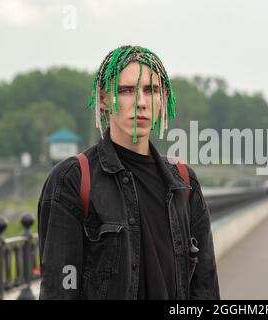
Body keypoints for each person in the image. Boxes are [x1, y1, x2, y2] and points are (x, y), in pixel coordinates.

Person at [37, 45, 220, 300]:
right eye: (125, 91)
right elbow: (59, 290)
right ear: (103, 99)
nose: (141, 102)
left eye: (151, 90)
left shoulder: (184, 183)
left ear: (162, 98)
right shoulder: (73, 179)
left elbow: (205, 288)